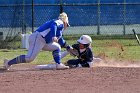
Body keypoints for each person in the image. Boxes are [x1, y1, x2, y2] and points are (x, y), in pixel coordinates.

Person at [3, 12, 70, 70]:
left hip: (43, 41)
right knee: (29, 58)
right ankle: (8, 62)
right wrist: (53, 36)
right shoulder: (60, 22)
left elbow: (61, 41)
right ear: (65, 21)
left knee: (57, 47)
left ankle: (58, 64)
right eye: (67, 24)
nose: (67, 26)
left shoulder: (60, 30)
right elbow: (54, 25)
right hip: (38, 38)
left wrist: (69, 48)